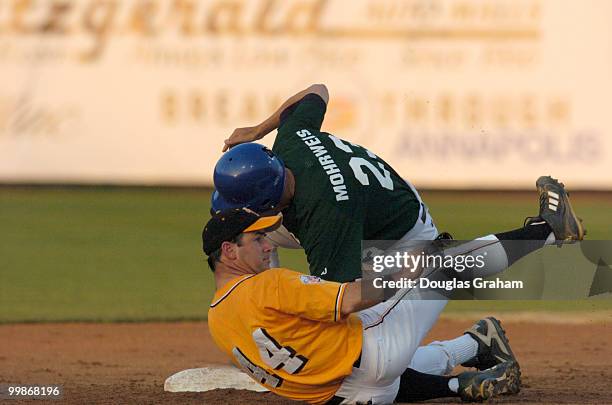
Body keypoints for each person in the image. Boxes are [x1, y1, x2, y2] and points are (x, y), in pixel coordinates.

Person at [203, 174, 583, 403]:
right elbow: (353, 298)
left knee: (374, 382)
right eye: (258, 240)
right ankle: (548, 229)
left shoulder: (217, 321)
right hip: (376, 349)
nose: (269, 245)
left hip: (348, 393)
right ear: (229, 250)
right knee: (441, 264)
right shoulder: (268, 286)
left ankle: (473, 351)